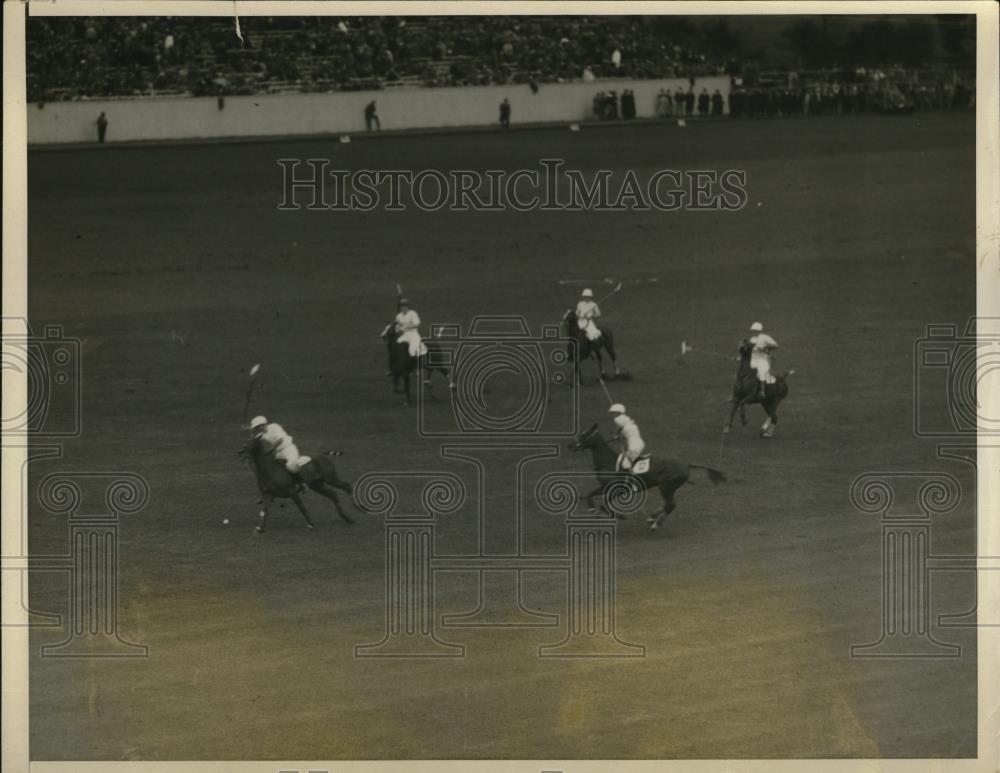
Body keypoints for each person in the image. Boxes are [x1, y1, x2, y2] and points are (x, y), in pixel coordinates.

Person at [609, 403, 645, 472]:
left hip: (633, 446)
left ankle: (632, 476)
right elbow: (628, 432)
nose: (613, 414)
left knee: (625, 463)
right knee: (631, 462)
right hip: (640, 443)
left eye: (613, 412)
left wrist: (616, 435)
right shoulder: (628, 420)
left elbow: (619, 429)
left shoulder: (617, 419)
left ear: (618, 412)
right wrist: (620, 436)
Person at [747, 321, 778, 399]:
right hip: (753, 360)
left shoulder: (765, 337)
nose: (753, 332)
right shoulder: (752, 339)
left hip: (763, 360)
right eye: (753, 330)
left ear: (759, 330)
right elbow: (749, 351)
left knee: (761, 371)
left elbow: (776, 345)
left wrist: (765, 347)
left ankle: (762, 391)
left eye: (755, 330)